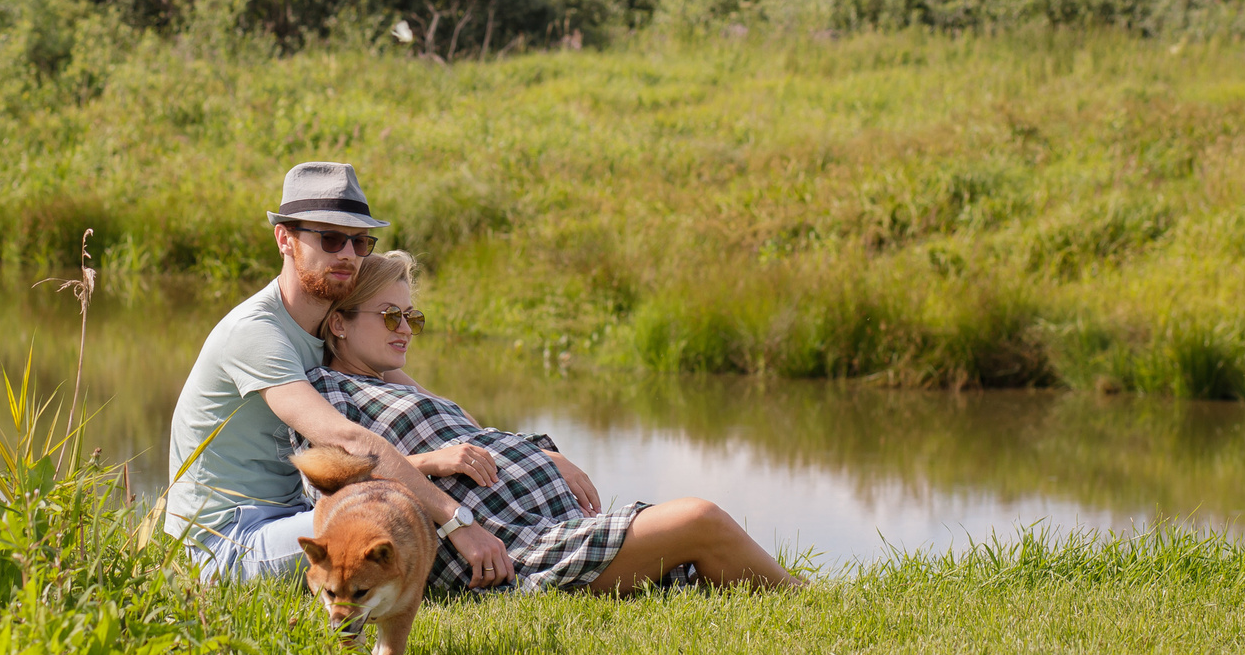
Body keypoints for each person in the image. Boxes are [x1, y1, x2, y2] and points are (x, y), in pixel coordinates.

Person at [308, 250, 803, 595]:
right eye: (390, 316)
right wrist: (430, 463)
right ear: (339, 323)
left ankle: (786, 594)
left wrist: (542, 453)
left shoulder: (395, 381)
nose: (405, 331)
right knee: (699, 518)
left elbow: (480, 438)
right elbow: (331, 493)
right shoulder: (330, 393)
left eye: (412, 319)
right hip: (508, 546)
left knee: (701, 558)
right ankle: (808, 600)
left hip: (548, 521)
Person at [162, 162, 516, 589]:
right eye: (330, 238)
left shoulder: (329, 325)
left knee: (405, 488)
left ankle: (517, 556)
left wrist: (537, 456)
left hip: (295, 514)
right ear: (285, 240)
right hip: (225, 544)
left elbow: (437, 408)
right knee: (390, 505)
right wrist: (459, 522)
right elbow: (346, 440)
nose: (348, 254)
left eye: (360, 241)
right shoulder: (257, 333)